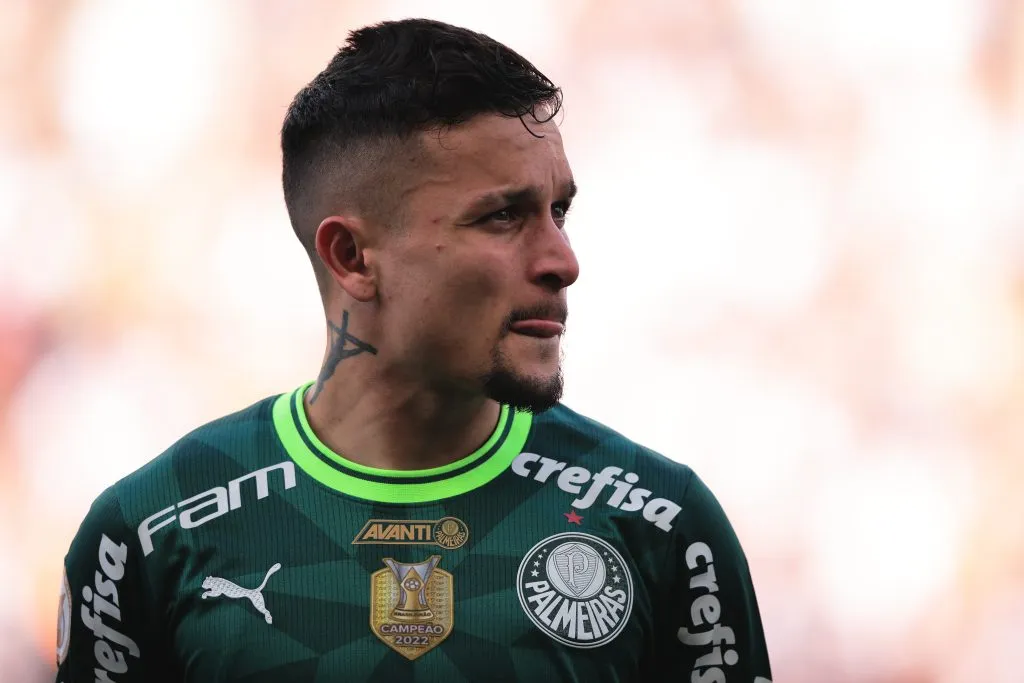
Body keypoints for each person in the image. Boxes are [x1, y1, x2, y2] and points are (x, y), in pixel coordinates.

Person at [56, 18, 773, 683]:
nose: (563, 259)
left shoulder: (661, 522)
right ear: (353, 256)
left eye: (559, 210)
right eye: (502, 216)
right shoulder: (148, 533)